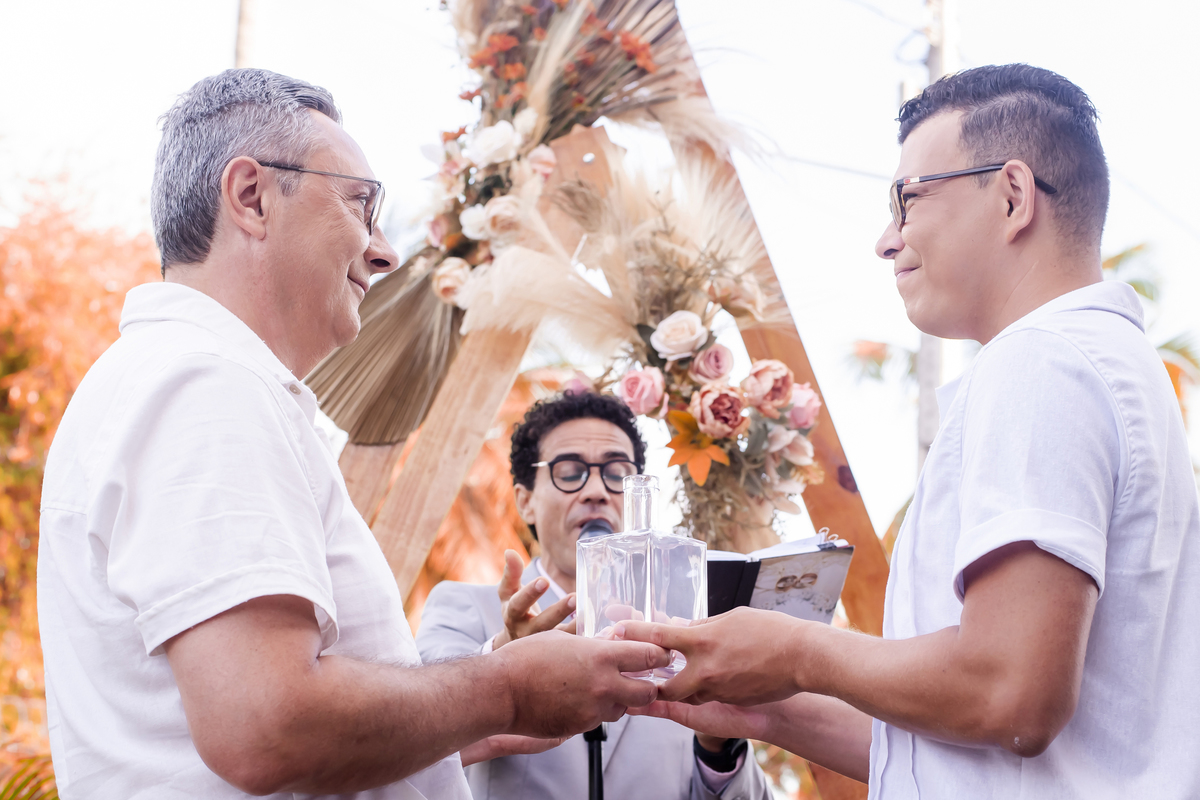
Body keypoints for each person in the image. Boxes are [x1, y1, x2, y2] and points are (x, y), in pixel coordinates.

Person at [36, 69, 671, 799]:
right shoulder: (206, 388)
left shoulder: (188, 382)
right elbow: (268, 726)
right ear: (251, 197)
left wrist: (498, 677)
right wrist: (505, 689)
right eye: (360, 204)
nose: (384, 252)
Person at [616, 64, 1200, 798]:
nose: (886, 240)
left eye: (907, 200)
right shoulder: (1107, 364)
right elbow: (957, 745)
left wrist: (800, 649)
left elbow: (1011, 695)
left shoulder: (1042, 361)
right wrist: (748, 699)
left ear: (1013, 196)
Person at [417, 392, 771, 800]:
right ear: (526, 501)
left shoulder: (686, 626)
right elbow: (411, 738)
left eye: (617, 473)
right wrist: (502, 665)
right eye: (570, 472)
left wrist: (719, 747)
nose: (597, 491)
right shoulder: (463, 606)